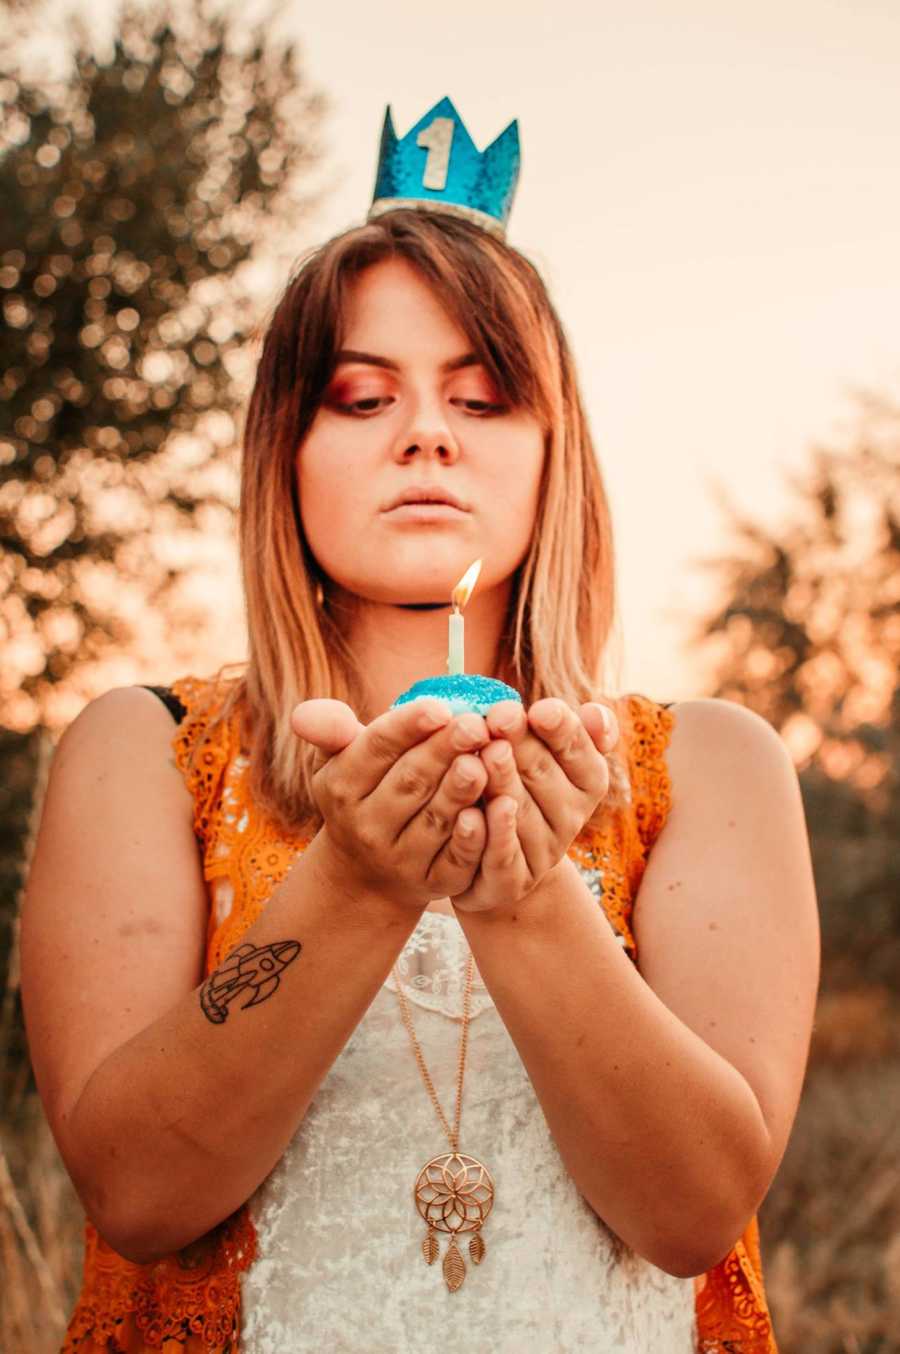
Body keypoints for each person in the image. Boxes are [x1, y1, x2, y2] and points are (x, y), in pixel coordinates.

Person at [21, 99, 819, 1353]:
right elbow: (138, 1192)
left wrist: (521, 895)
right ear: (286, 447)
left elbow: (693, 1213)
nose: (428, 433)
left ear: (555, 455)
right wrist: (353, 882)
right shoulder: (143, 753)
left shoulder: (713, 766)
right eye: (361, 396)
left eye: (485, 397)